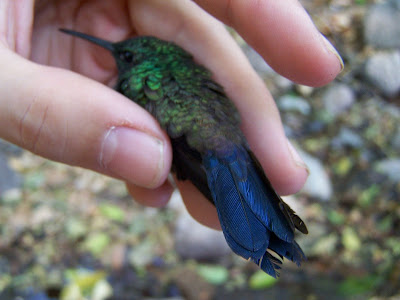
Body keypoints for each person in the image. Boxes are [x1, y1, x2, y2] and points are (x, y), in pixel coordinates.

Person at [0, 0, 343, 229]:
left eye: (127, 58)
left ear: (139, 69)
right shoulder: (170, 71)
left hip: (202, 136)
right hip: (211, 127)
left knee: (219, 174)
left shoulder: (135, 85)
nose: (118, 58)